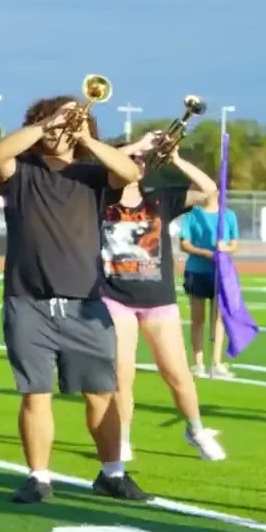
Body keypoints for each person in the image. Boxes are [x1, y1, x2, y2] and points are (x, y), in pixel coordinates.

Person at [0, 95, 151, 506]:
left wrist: (85, 136)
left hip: (85, 302)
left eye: (68, 121)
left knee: (101, 392)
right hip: (28, 300)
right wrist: (49, 123)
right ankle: (38, 477)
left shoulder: (93, 174)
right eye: (49, 121)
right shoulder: (21, 170)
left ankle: (112, 473)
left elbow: (130, 171)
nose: (59, 129)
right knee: (36, 393)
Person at [100, 133, 227, 462]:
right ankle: (123, 437)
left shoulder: (159, 198)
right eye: (130, 159)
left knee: (177, 373)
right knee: (122, 374)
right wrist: (131, 150)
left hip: (158, 299)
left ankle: (195, 429)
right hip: (115, 297)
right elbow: (96, 167)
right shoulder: (98, 197)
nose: (137, 165)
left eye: (142, 161)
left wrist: (175, 159)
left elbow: (209, 189)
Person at [179, 194, 240, 378]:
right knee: (198, 319)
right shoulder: (191, 215)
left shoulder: (228, 215)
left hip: (221, 273)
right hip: (197, 271)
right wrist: (204, 253)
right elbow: (184, 244)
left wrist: (224, 249)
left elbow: (234, 244)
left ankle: (216, 362)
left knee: (218, 319)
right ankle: (198, 363)